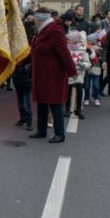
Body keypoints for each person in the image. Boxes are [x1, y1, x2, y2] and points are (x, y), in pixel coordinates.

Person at [29, 8, 77, 143]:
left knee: (55, 104)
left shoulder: (54, 31)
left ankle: (60, 133)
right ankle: (41, 130)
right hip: (42, 74)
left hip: (53, 74)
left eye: (35, 19)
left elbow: (64, 52)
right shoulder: (42, 31)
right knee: (42, 102)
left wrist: (72, 71)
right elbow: (34, 50)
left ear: (40, 19)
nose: (34, 22)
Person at [65, 30, 90, 119]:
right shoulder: (66, 49)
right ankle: (68, 109)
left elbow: (88, 64)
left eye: (70, 40)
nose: (68, 41)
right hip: (69, 74)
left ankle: (78, 110)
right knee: (68, 92)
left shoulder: (82, 50)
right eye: (68, 40)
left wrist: (81, 64)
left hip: (79, 74)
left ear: (75, 40)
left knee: (79, 91)